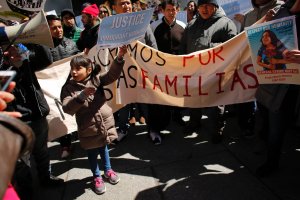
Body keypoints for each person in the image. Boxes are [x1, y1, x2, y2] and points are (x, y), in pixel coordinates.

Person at [60, 46, 126, 194]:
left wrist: (119, 58)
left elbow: (112, 75)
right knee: (91, 152)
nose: (74, 72)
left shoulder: (96, 79)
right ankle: (97, 176)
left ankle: (108, 170)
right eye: (72, 69)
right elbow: (67, 108)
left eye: (78, 68)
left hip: (104, 122)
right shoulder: (68, 88)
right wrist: (81, 96)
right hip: (87, 127)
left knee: (104, 147)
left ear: (89, 70)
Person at [2, 43, 64, 199]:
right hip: (17, 120)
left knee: (42, 151)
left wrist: (31, 39)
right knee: (23, 161)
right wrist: (8, 63)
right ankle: (26, 190)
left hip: (37, 115)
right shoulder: (3, 64)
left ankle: (46, 178)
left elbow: (46, 59)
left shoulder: (25, 57)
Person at [180, 0, 237, 143]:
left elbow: (233, 47)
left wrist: (208, 46)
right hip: (194, 72)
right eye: (201, 6)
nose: (204, 9)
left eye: (208, 6)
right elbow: (184, 46)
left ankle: (217, 128)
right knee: (194, 99)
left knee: (215, 103)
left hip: (215, 73)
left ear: (215, 7)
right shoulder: (191, 25)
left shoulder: (226, 24)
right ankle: (194, 123)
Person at [255, 0, 300, 177]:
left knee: (279, 124)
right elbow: (255, 38)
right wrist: (264, 22)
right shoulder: (280, 10)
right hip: (272, 81)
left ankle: (272, 160)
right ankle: (270, 156)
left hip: (293, 85)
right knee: (269, 120)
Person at [231, 0, 284, 139]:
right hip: (250, 70)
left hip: (272, 73)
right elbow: (241, 41)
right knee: (249, 102)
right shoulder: (248, 15)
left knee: (268, 109)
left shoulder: (281, 10)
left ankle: (267, 139)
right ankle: (250, 130)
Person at [111, 0, 157, 143]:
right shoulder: (110, 27)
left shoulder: (142, 23)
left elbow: (153, 46)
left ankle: (152, 129)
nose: (126, 6)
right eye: (122, 3)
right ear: (114, 8)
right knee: (124, 102)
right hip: (122, 73)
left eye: (128, 3)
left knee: (146, 102)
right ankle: (123, 129)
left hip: (142, 72)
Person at [148, 0, 186, 145]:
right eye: (168, 10)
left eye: (174, 10)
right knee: (161, 98)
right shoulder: (154, 26)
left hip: (178, 68)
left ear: (177, 10)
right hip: (160, 70)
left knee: (178, 93)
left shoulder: (183, 26)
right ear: (162, 11)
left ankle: (177, 116)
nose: (171, 13)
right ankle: (160, 124)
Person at [45, 14, 80, 159]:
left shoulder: (71, 43)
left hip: (72, 85)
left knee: (78, 112)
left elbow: (79, 60)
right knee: (61, 115)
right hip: (55, 89)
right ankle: (65, 145)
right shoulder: (44, 48)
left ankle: (82, 137)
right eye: (54, 28)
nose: (59, 30)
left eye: (60, 27)